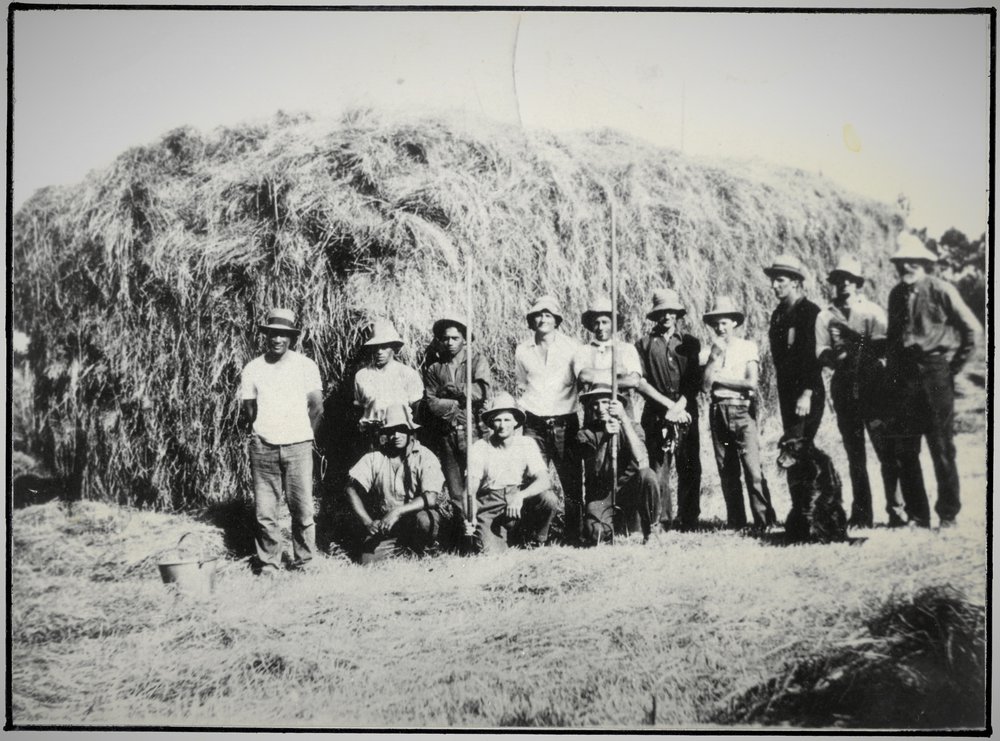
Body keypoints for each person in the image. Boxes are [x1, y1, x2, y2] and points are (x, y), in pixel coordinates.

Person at [885, 233, 981, 529]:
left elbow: (972, 331)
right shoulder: (896, 294)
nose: (907, 267)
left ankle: (948, 513)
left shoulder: (941, 289)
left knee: (941, 448)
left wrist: (951, 370)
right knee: (905, 449)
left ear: (925, 263)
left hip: (935, 373)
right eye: (902, 262)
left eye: (913, 261)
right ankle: (918, 514)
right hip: (904, 377)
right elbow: (892, 338)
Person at [815, 255, 904, 528]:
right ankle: (862, 513)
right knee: (855, 454)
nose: (844, 285)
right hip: (844, 388)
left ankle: (897, 510)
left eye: (849, 280)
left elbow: (886, 347)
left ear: (856, 283)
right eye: (839, 280)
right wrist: (837, 358)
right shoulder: (825, 315)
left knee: (885, 449)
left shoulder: (872, 312)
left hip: (873, 388)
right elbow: (821, 351)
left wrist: (862, 352)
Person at [239, 308, 323, 575]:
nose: (277, 340)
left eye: (283, 335)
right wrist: (265, 431)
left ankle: (305, 562)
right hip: (263, 447)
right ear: (266, 336)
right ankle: (269, 564)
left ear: (291, 338)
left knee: (303, 509)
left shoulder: (305, 366)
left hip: (298, 446)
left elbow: (317, 407)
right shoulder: (253, 368)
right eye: (273, 334)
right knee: (265, 512)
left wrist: (301, 434)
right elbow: (250, 408)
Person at [701, 296, 776, 531]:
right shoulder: (708, 352)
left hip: (742, 411)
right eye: (716, 324)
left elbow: (751, 383)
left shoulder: (747, 347)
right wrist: (713, 359)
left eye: (724, 322)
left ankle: (764, 521)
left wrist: (720, 379)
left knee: (752, 468)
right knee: (727, 470)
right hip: (718, 410)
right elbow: (704, 387)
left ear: (734, 322)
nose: (720, 328)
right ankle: (737, 522)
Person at [514, 294, 582, 538]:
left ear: (556, 320)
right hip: (534, 424)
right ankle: (534, 535)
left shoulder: (572, 347)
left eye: (548, 315)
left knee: (571, 481)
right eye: (538, 315)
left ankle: (575, 534)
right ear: (532, 321)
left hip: (565, 422)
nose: (542, 319)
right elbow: (522, 385)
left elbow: (581, 381)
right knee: (532, 477)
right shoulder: (523, 350)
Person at [634, 289, 703, 530]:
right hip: (657, 412)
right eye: (662, 312)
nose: (667, 316)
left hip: (685, 411)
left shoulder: (690, 343)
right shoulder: (643, 344)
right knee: (659, 467)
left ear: (677, 314)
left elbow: (696, 380)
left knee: (689, 465)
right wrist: (667, 407)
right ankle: (661, 519)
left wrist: (680, 405)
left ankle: (689, 518)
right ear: (656, 315)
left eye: (671, 311)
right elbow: (640, 382)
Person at [420, 313, 493, 531]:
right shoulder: (435, 369)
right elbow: (432, 402)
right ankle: (465, 532)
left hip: (473, 432)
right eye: (445, 338)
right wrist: (456, 405)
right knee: (455, 489)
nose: (450, 343)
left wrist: (456, 390)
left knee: (477, 483)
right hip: (447, 434)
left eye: (455, 338)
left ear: (464, 339)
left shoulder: (476, 361)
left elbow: (481, 391)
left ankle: (482, 530)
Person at [344, 405, 443, 564]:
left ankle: (427, 549)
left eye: (401, 429)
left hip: (416, 519)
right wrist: (368, 522)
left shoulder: (424, 456)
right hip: (388, 525)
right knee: (368, 560)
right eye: (391, 430)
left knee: (425, 521)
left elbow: (431, 498)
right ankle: (404, 550)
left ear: (410, 431)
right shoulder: (376, 457)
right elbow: (350, 489)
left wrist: (398, 512)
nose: (396, 435)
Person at [462, 393, 559, 553]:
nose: (502, 425)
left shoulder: (526, 443)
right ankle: (501, 540)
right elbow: (469, 490)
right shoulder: (480, 447)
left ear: (515, 422)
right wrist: (469, 516)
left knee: (548, 499)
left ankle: (536, 542)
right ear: (491, 423)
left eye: (507, 419)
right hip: (491, 505)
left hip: (518, 499)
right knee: (490, 554)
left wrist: (520, 496)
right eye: (497, 420)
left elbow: (544, 480)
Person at [573, 384, 660, 544]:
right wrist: (606, 437)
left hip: (630, 491)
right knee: (594, 533)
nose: (600, 408)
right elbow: (595, 470)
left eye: (606, 402)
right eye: (595, 403)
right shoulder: (585, 434)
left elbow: (642, 460)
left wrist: (624, 421)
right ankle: (614, 526)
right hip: (603, 495)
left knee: (648, 475)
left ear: (617, 405)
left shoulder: (633, 427)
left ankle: (651, 530)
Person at [764, 254, 825, 442]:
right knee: (794, 449)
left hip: (807, 393)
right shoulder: (778, 315)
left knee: (798, 448)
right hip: (787, 392)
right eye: (773, 280)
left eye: (780, 280)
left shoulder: (810, 312)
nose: (774, 285)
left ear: (795, 282)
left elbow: (816, 357)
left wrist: (806, 393)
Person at [353, 319, 424, 449]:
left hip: (400, 435)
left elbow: (417, 408)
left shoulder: (407, 373)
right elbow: (359, 407)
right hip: (372, 435)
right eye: (376, 347)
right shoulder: (362, 375)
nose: (379, 352)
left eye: (384, 347)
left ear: (394, 348)